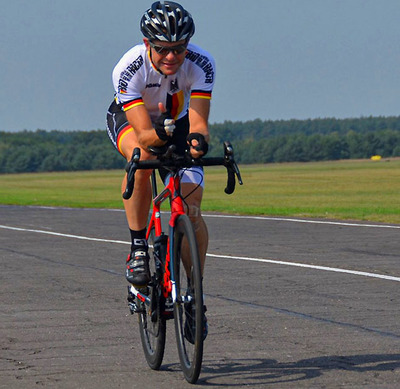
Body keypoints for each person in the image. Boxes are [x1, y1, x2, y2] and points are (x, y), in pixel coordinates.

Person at [106, 2, 215, 300]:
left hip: (176, 122)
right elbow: (143, 133)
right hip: (133, 121)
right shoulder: (129, 68)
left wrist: (197, 143)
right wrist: (158, 138)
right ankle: (138, 246)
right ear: (147, 44)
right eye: (162, 49)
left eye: (179, 49)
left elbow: (198, 123)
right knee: (143, 157)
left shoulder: (201, 63)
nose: (171, 56)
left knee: (191, 206)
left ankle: (194, 293)